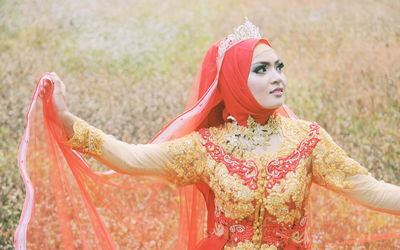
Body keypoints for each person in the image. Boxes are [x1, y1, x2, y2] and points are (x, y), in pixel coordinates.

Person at [16, 19, 400, 249]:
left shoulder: (308, 140)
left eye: (278, 66)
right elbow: (131, 159)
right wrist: (67, 121)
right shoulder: (208, 148)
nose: (277, 76)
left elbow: (370, 189)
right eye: (261, 69)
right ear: (233, 81)